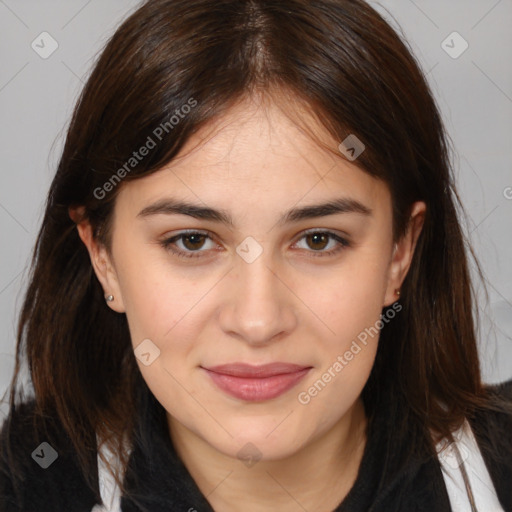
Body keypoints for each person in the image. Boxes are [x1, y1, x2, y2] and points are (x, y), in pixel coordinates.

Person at [1, 0, 511, 511]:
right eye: (192, 241)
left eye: (318, 240)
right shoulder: (27, 484)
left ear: (400, 252)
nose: (258, 321)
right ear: (103, 257)